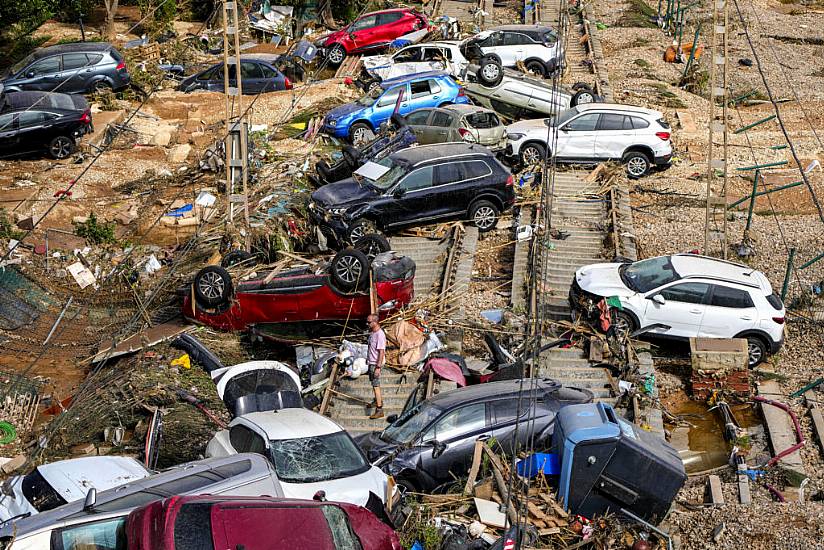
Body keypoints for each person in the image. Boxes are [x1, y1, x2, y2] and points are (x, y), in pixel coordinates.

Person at [366, 314, 386, 419]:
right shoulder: (372, 333)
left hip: (376, 364)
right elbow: (370, 348)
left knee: (376, 385)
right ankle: (376, 400)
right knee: (374, 385)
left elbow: (381, 352)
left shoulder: (380, 334)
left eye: (369, 322)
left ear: (375, 322)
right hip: (371, 362)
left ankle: (379, 409)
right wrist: (367, 359)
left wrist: (378, 367)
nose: (367, 324)